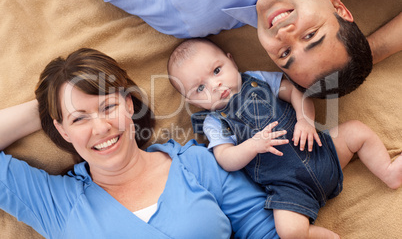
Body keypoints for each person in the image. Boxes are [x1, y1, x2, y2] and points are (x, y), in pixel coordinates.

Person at [0, 48, 279, 238]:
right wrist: (52, 102)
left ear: (129, 105)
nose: (100, 127)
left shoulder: (197, 164)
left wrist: (71, 108)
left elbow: (266, 232)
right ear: (62, 131)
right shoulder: (56, 203)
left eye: (108, 107)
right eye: (79, 120)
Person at [167, 38, 402, 239]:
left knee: (356, 132)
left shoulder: (257, 79)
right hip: (288, 188)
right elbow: (226, 158)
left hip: (322, 151)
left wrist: (305, 120)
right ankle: (313, 234)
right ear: (192, 102)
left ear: (232, 61)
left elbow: (296, 92)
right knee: (288, 232)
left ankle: (388, 171)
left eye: (217, 70)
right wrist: (252, 145)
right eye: (200, 88)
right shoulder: (214, 122)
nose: (215, 85)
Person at [88, 0, 401, 98]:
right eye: (310, 36)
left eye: (285, 55)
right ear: (341, 10)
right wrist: (369, 52)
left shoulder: (189, 14)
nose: (284, 35)